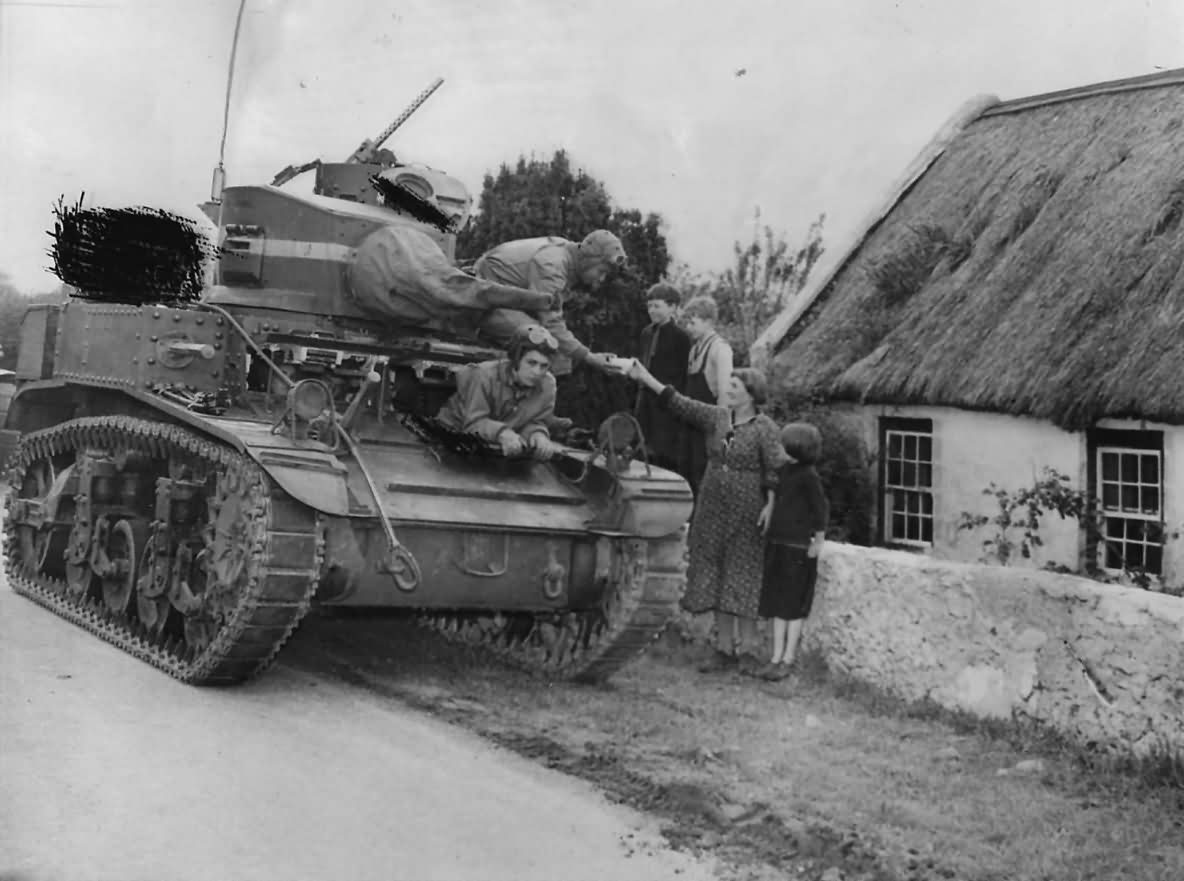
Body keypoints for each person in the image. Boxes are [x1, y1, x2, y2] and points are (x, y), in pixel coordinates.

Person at [620, 357, 786, 673]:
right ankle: (723, 649)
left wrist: (770, 505)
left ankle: (748, 651)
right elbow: (679, 403)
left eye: (735, 387)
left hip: (748, 507)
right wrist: (646, 377)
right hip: (713, 505)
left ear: (751, 393)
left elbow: (775, 470)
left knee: (744, 574)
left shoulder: (765, 428)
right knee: (716, 572)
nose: (729, 390)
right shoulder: (718, 417)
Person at [472, 230, 628, 377]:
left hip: (496, 296)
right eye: (601, 271)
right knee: (546, 346)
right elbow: (551, 323)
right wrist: (589, 356)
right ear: (588, 259)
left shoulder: (565, 253)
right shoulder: (553, 265)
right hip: (483, 301)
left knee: (557, 349)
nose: (601, 279)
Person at [757, 422, 829, 681]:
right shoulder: (783, 471)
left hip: (798, 549)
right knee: (777, 606)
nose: (779, 448)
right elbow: (771, 489)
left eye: (783, 444)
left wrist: (818, 541)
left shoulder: (809, 476)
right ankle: (775, 658)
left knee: (793, 608)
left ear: (796, 448)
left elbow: (820, 510)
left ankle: (788, 659)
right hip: (777, 545)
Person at [435, 323, 565, 461]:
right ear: (516, 359)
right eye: (531, 363)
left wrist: (538, 435)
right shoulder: (484, 375)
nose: (537, 372)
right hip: (451, 438)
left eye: (544, 366)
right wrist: (503, 433)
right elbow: (473, 423)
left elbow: (536, 421)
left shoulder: (548, 385)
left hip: (497, 448)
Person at [633, 282, 691, 473]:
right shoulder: (646, 333)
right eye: (649, 306)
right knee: (641, 449)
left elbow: (683, 376)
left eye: (657, 306)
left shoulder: (681, 337)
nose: (651, 310)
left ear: (672, 307)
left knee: (664, 454)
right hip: (644, 401)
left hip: (667, 405)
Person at [679, 296, 733, 496]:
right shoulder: (694, 350)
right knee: (686, 473)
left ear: (709, 322)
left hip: (709, 426)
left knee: (705, 478)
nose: (688, 327)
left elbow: (726, 395)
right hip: (690, 423)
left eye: (693, 322)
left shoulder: (720, 349)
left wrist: (720, 434)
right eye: (687, 322)